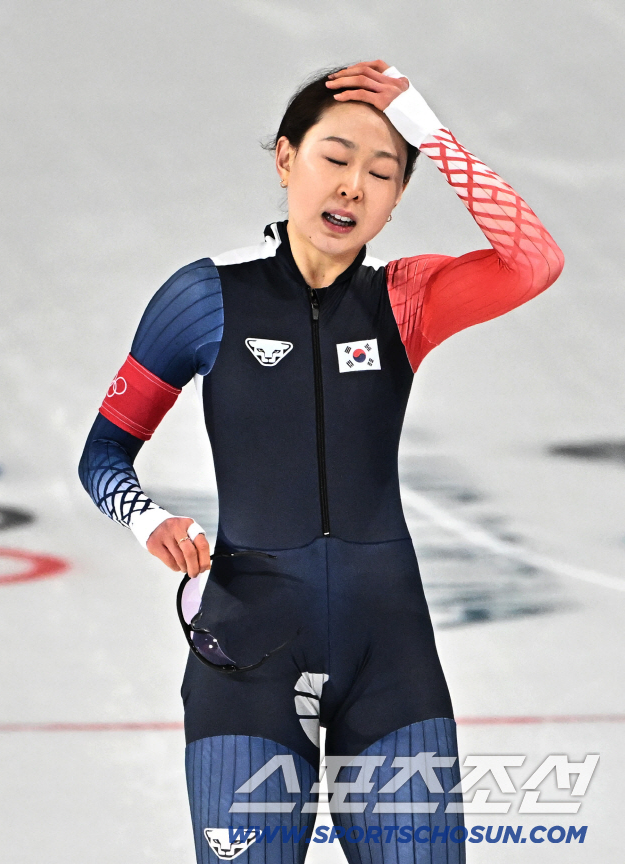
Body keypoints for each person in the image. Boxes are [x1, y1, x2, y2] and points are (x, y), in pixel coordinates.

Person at [77, 60, 563, 863]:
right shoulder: (205, 298)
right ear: (284, 159)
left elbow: (533, 261)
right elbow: (104, 453)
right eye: (334, 159)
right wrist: (148, 518)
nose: (352, 188)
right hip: (248, 660)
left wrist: (430, 133)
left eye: (381, 173)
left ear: (399, 197)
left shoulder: (406, 300)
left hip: (391, 659)